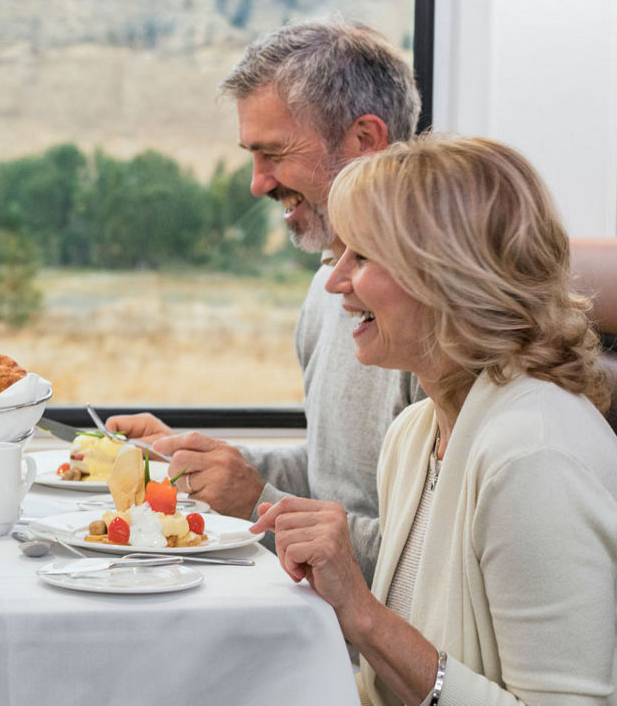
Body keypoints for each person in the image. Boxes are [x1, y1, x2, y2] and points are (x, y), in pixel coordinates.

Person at [252, 135, 617, 704]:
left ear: (447, 278)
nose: (334, 281)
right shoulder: (414, 435)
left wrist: (363, 615)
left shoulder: (534, 457)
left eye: (363, 256)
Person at [107, 20, 424, 582]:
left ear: (365, 142)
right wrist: (205, 467)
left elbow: (425, 561)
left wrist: (259, 503)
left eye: (273, 153)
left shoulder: (425, 314)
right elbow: (334, 477)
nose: (257, 183)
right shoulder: (328, 285)